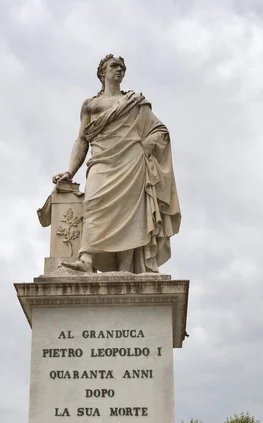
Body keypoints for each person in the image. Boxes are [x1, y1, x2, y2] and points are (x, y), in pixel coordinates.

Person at [53, 54, 181, 274]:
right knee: (92, 203)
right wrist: (69, 171)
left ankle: (125, 268)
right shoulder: (90, 105)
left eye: (122, 67)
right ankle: (86, 258)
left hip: (131, 162)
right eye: (114, 66)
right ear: (103, 72)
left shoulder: (134, 103)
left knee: (130, 213)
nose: (119, 70)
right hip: (101, 161)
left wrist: (148, 144)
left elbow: (160, 130)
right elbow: (82, 140)